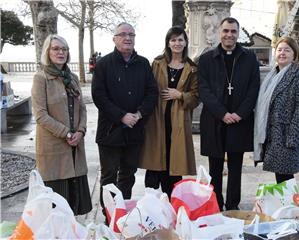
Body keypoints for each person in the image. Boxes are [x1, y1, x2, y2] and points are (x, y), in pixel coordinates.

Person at [91, 22, 158, 218]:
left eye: (131, 34)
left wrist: (138, 114)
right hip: (110, 130)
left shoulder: (143, 63)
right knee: (109, 176)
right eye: (122, 34)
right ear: (114, 39)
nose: (127, 38)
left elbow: (152, 92)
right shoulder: (103, 64)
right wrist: (122, 116)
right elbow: (99, 96)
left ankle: (123, 211)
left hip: (134, 129)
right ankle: (109, 214)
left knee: (128, 175)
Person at [198, 17, 260, 211]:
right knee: (214, 168)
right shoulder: (207, 59)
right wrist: (223, 113)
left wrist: (240, 114)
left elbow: (253, 88)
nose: (229, 35)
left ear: (238, 33)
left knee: (235, 167)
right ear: (220, 32)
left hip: (239, 121)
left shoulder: (249, 58)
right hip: (214, 120)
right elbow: (203, 89)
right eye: (226, 31)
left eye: (233, 31)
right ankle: (215, 204)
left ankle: (233, 205)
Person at [31, 34, 92, 215]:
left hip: (75, 148)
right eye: (56, 48)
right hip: (54, 149)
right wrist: (66, 133)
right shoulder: (41, 78)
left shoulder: (71, 78)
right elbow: (40, 114)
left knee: (74, 207)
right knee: (55, 208)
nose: (61, 52)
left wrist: (80, 131)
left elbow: (82, 108)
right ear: (47, 52)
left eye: (64, 49)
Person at [139, 26, 199, 198]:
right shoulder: (157, 63)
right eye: (173, 40)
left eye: (180, 39)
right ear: (168, 43)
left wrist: (180, 95)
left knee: (174, 166)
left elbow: (195, 97)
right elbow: (148, 88)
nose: (177, 43)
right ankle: (150, 205)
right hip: (157, 119)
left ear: (185, 42)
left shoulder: (192, 68)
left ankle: (172, 207)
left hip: (178, 121)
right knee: (154, 166)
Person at [254, 36, 299, 184]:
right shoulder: (272, 75)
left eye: (287, 50)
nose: (282, 53)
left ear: (295, 54)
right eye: (279, 50)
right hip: (274, 136)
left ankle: (290, 205)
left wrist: (292, 140)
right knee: (281, 178)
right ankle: (287, 205)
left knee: (285, 178)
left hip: (287, 137)